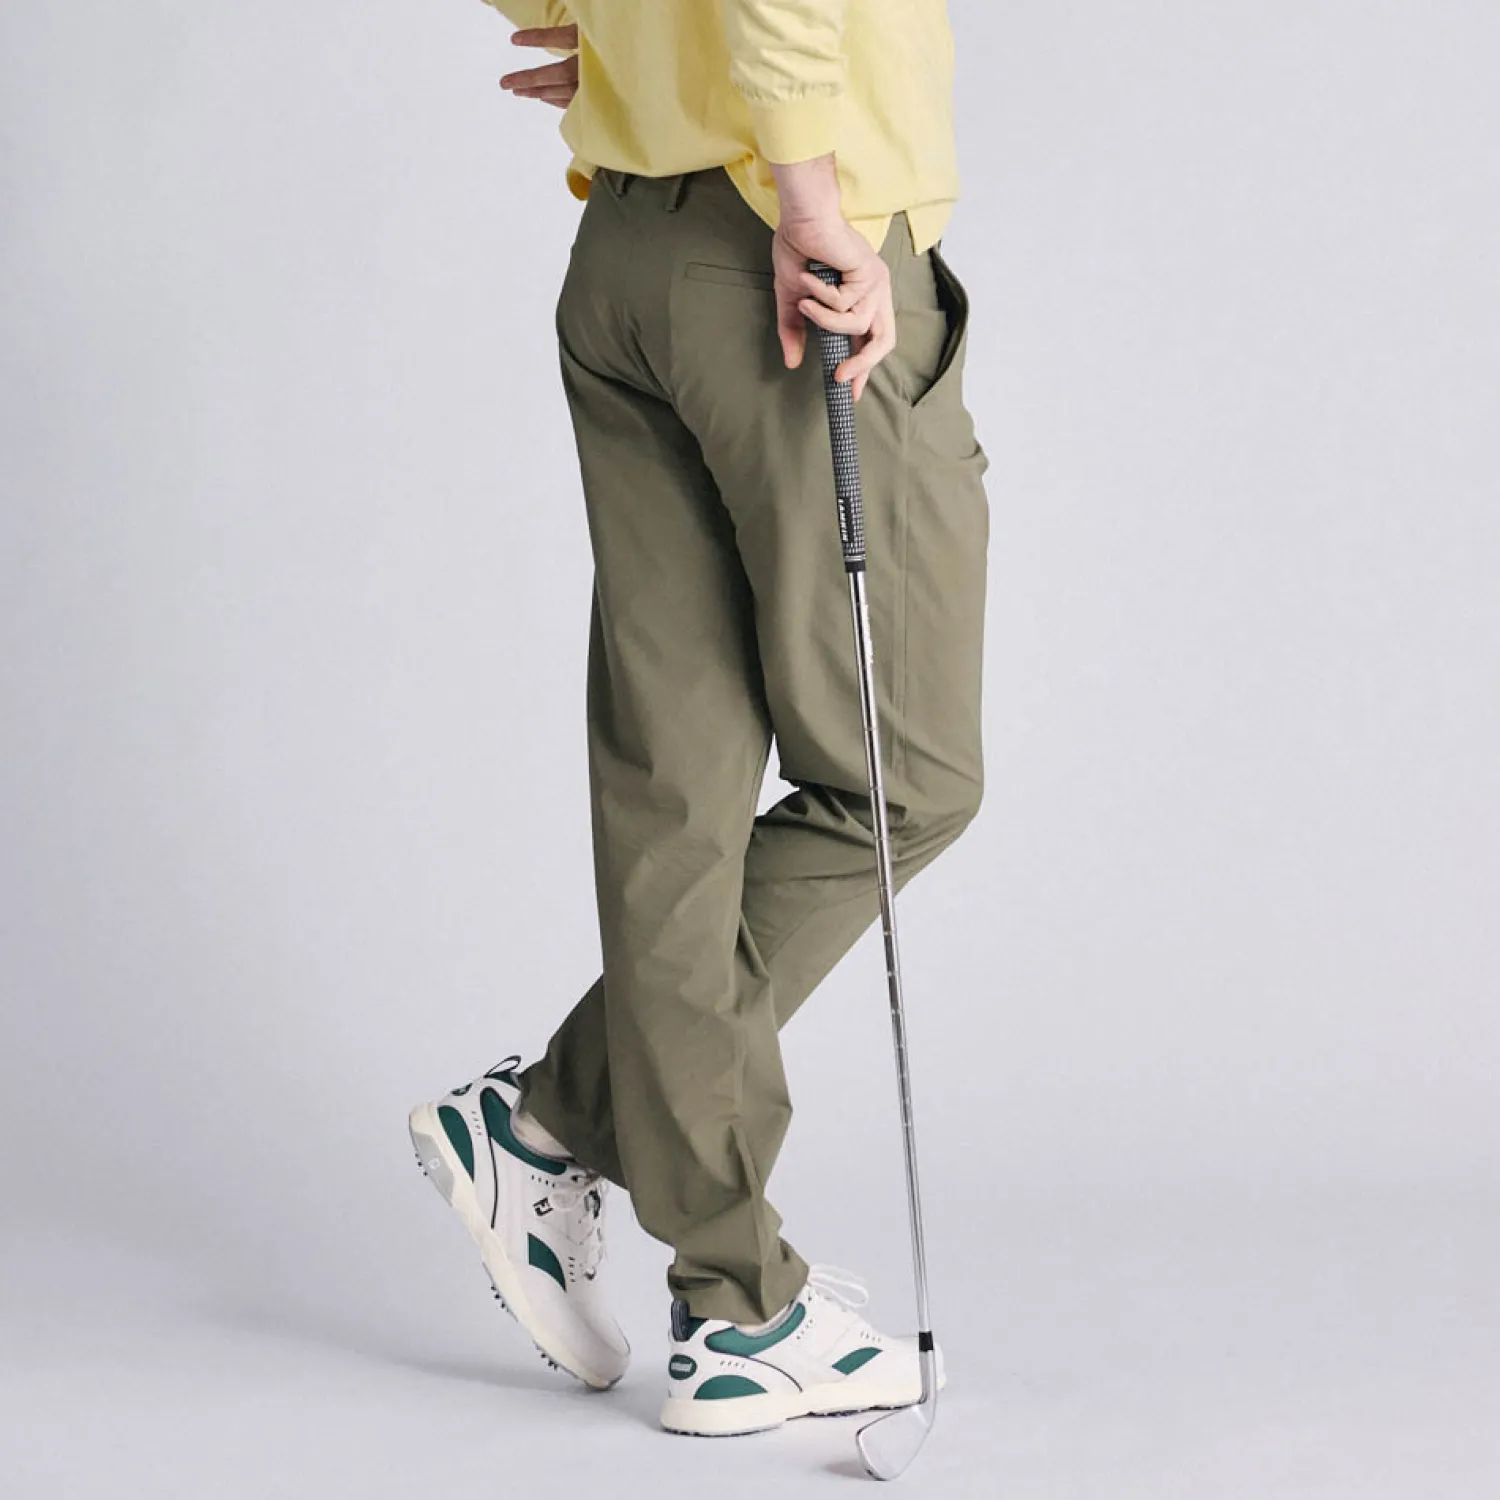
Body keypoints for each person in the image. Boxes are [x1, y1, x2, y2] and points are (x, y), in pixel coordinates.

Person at [407, 0, 988, 1438]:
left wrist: (607, 29)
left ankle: (689, 1260)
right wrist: (808, 200)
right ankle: (645, 1210)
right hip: (784, 254)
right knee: (902, 778)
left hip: (628, 247)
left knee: (678, 787)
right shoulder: (800, 216)